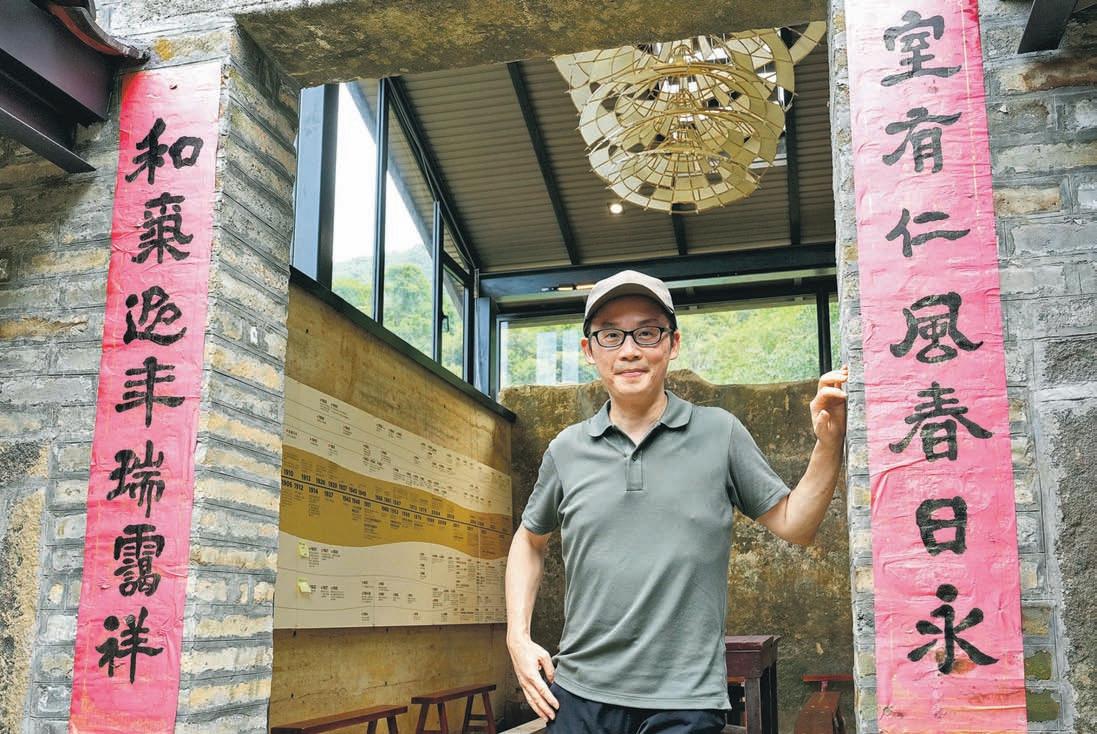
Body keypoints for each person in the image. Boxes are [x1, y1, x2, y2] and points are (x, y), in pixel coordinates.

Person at [505, 270, 849, 734]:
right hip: (580, 695)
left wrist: (829, 442)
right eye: (611, 334)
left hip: (685, 701)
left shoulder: (720, 433)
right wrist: (518, 638)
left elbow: (796, 523)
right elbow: (529, 541)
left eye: (647, 332)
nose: (629, 350)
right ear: (589, 350)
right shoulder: (566, 450)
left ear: (673, 343)